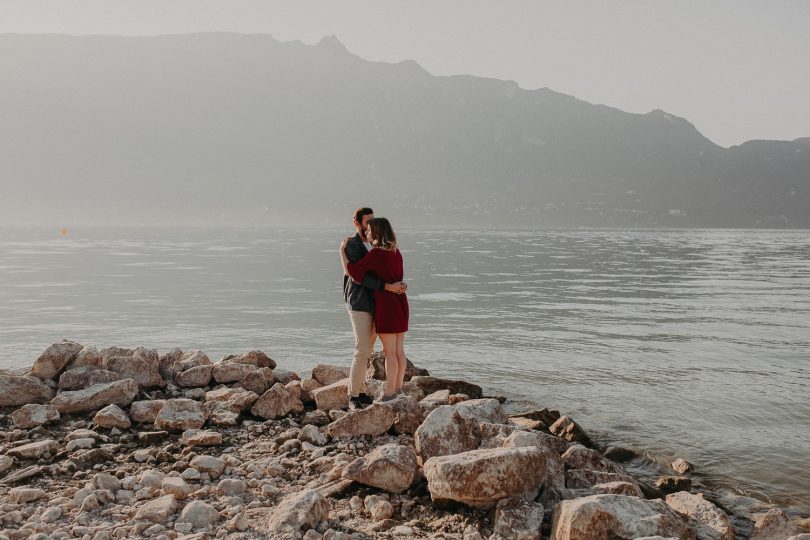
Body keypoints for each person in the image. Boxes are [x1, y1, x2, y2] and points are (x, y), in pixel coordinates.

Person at [341, 208, 407, 410]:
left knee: (388, 352)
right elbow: (390, 276)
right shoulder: (395, 251)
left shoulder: (376, 251)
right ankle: (394, 390)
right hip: (395, 303)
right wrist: (395, 286)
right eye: (366, 224)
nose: (368, 229)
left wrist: (341, 254)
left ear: (377, 231)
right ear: (357, 223)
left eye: (372, 226)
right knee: (394, 351)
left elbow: (355, 272)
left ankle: (388, 394)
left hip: (385, 305)